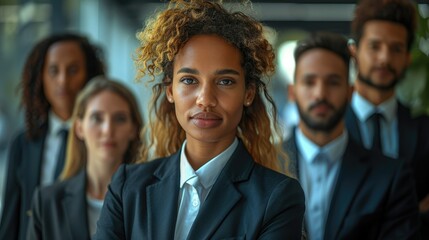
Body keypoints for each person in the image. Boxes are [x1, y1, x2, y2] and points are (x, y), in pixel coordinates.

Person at [94, 1, 305, 239]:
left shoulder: (277, 197)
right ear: (170, 90)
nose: (205, 100)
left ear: (248, 93)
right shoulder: (127, 187)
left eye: (225, 81)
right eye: (189, 80)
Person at [284, 32, 419, 239]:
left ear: (350, 93)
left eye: (333, 82)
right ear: (292, 93)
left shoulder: (391, 177)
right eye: (310, 82)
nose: (320, 93)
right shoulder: (261, 165)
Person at [0, 33, 105, 240]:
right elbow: (10, 220)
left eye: (73, 70)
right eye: (53, 71)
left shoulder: (104, 140)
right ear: (41, 77)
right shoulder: (23, 144)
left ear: (89, 75)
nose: (63, 80)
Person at [345, 0, 429, 236]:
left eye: (396, 48)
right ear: (354, 51)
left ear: (407, 58)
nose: (384, 58)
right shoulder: (328, 125)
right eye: (374, 46)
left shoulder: (424, 130)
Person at [26, 77, 143, 240]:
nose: (108, 130)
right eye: (97, 118)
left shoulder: (150, 200)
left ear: (134, 129)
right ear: (79, 128)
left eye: (119, 119)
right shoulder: (47, 202)